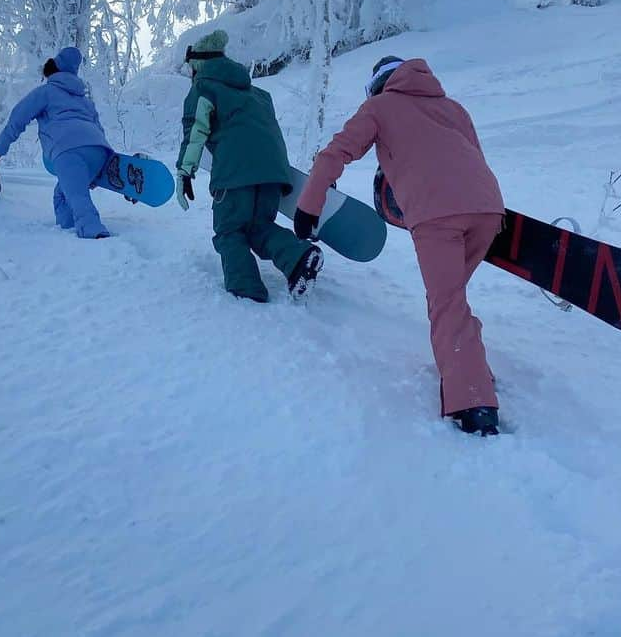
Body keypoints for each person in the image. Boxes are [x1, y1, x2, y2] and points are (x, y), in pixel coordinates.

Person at [294, 55, 505, 435]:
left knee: (446, 304)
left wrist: (309, 207)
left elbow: (334, 154)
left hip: (437, 216)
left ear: (378, 86)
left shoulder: (379, 106)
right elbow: (472, 156)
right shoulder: (453, 107)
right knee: (451, 298)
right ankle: (473, 369)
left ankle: (474, 402)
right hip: (489, 210)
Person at [176, 29, 322, 304]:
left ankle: (246, 290)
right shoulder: (258, 94)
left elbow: (196, 131)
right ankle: (298, 256)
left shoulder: (204, 89)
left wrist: (185, 172)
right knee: (258, 227)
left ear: (197, 65)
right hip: (273, 172)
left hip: (234, 174)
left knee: (230, 230)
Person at [0, 46, 112, 239]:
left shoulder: (46, 92)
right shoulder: (85, 101)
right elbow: (99, 128)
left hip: (68, 149)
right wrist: (99, 167)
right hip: (98, 150)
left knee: (77, 196)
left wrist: (0, 148)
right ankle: (66, 226)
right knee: (63, 193)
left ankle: (93, 231)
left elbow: (19, 117)